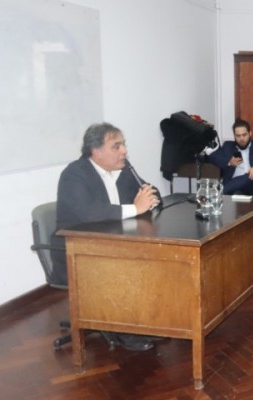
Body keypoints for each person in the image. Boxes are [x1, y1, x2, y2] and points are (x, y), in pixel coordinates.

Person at [52, 122, 161, 352]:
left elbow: (147, 189)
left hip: (108, 243)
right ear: (96, 151)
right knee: (125, 267)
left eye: (124, 144)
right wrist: (135, 209)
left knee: (153, 257)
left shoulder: (121, 170)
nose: (124, 151)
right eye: (116, 146)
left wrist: (152, 197)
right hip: (75, 251)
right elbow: (90, 212)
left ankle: (150, 321)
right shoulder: (74, 174)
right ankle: (126, 331)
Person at [208, 118, 253, 195]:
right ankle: (222, 192)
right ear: (234, 136)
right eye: (238, 136)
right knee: (237, 194)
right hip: (233, 186)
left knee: (248, 176)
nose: (241, 138)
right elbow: (213, 157)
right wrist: (229, 162)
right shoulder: (228, 146)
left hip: (252, 183)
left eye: (244, 135)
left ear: (250, 133)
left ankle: (218, 194)